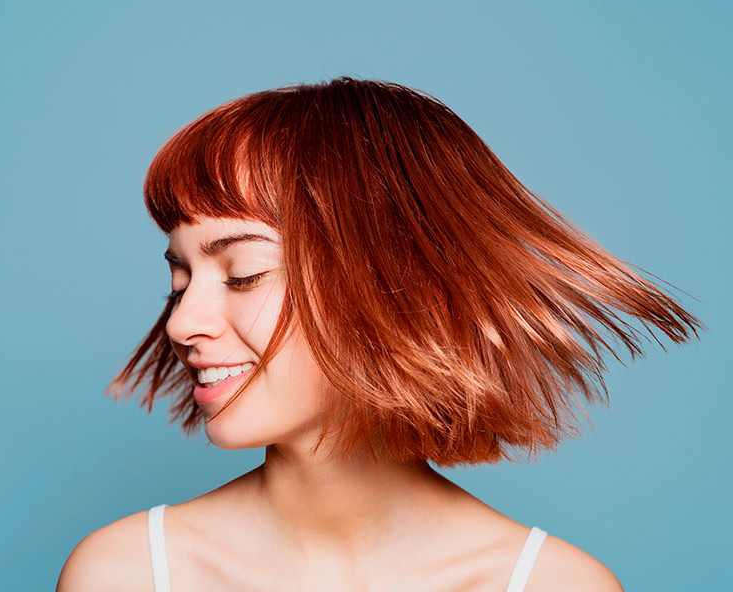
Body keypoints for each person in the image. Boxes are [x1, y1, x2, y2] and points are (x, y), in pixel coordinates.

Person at [56, 77, 700, 591]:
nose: (182, 322)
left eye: (243, 274)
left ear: (396, 281)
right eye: (179, 282)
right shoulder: (125, 575)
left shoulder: (551, 585)